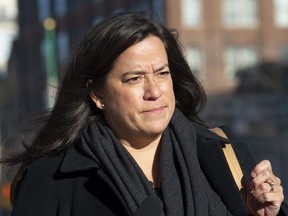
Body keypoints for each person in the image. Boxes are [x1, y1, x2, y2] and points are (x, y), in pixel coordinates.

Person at [2, 11, 287, 216]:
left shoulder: (223, 154)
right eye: (134, 78)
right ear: (98, 94)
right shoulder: (51, 179)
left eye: (162, 73)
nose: (154, 91)